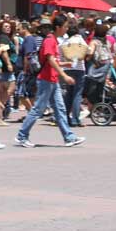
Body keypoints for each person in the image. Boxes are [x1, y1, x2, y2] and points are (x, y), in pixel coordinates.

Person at [15, 16, 85, 148]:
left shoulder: (54, 40)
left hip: (52, 80)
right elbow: (50, 59)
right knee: (38, 109)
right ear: (58, 27)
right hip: (46, 80)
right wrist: (64, 75)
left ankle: (69, 137)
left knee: (60, 109)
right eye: (65, 26)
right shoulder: (49, 41)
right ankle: (22, 136)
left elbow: (53, 60)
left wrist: (65, 64)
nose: (67, 29)